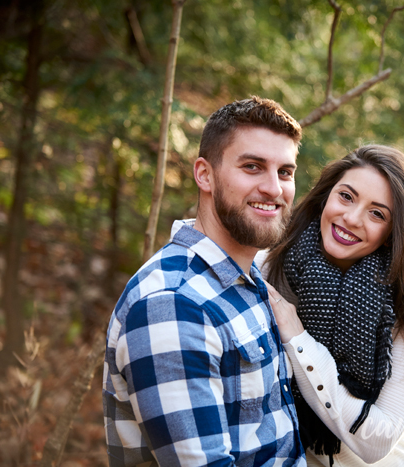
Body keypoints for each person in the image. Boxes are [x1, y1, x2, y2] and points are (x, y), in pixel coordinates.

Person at [102, 96, 307, 466]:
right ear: (204, 174)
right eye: (252, 167)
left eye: (285, 172)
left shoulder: (245, 277)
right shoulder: (173, 306)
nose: (274, 189)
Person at [262, 145, 404, 466]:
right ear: (327, 195)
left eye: (377, 213)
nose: (351, 218)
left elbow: (378, 441)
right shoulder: (273, 266)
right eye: (346, 196)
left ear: (393, 233)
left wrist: (299, 341)